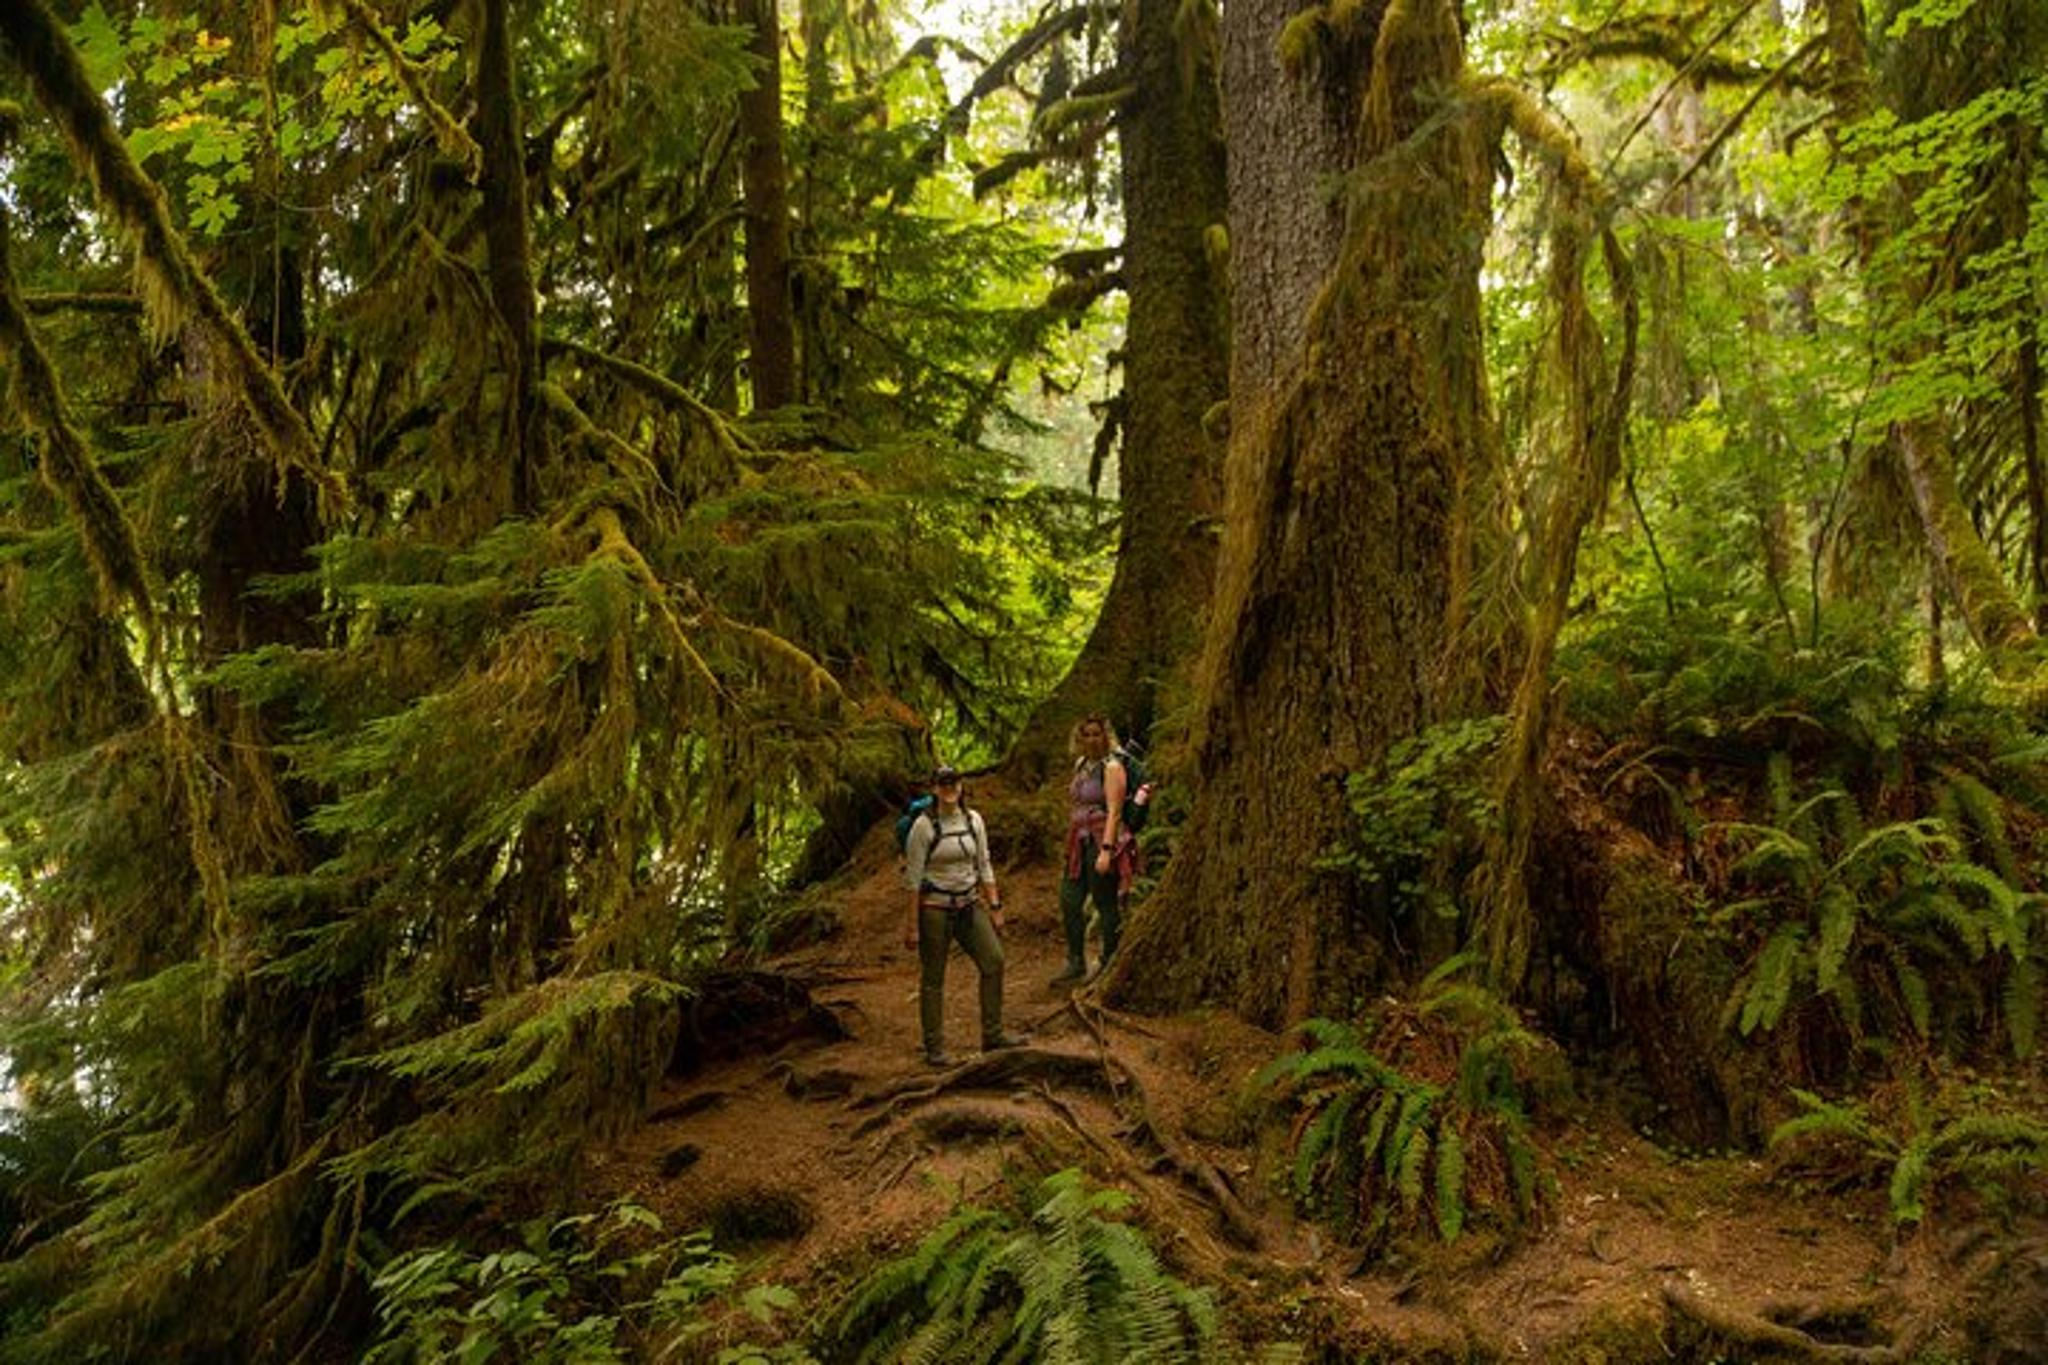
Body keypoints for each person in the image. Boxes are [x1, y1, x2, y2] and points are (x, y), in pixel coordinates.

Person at [901, 765, 1022, 1066]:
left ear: (961, 785)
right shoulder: (923, 827)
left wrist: (995, 907)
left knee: (993, 961)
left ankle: (992, 1035)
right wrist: (912, 926)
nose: (949, 788)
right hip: (934, 909)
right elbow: (913, 880)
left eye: (953, 783)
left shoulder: (973, 820)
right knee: (933, 977)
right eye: (943, 784)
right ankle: (935, 1048)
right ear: (934, 789)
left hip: (969, 905)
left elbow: (984, 864)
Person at [1052, 716, 1138, 987]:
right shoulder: (1081, 766)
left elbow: (1114, 811)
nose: (1091, 739)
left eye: (1096, 734)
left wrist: (1106, 850)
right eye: (1086, 735)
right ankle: (1075, 961)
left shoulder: (1111, 767)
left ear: (1105, 736)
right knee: (1069, 898)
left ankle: (1108, 960)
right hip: (1079, 840)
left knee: (1104, 901)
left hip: (1102, 839)